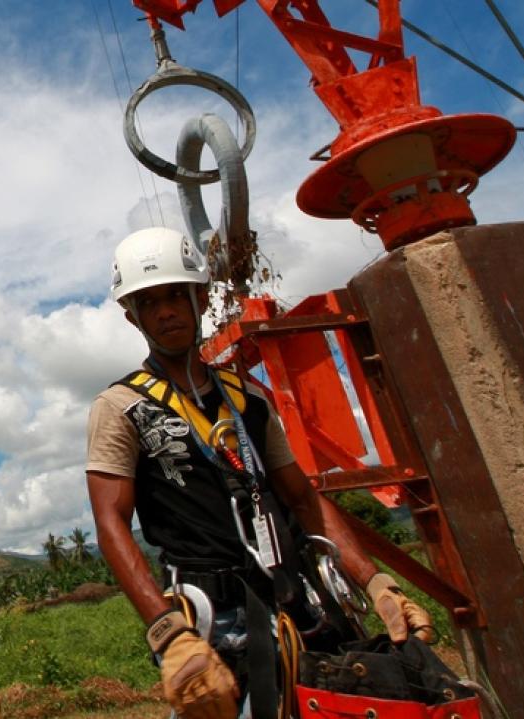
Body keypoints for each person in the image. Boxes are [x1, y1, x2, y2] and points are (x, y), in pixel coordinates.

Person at [84, 227, 433, 718]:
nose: (164, 311)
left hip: (299, 599)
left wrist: (376, 583)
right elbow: (111, 524)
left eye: (174, 296)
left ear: (200, 297)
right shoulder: (122, 407)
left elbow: (302, 499)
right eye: (148, 303)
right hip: (211, 619)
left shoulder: (247, 396)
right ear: (131, 316)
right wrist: (168, 633)